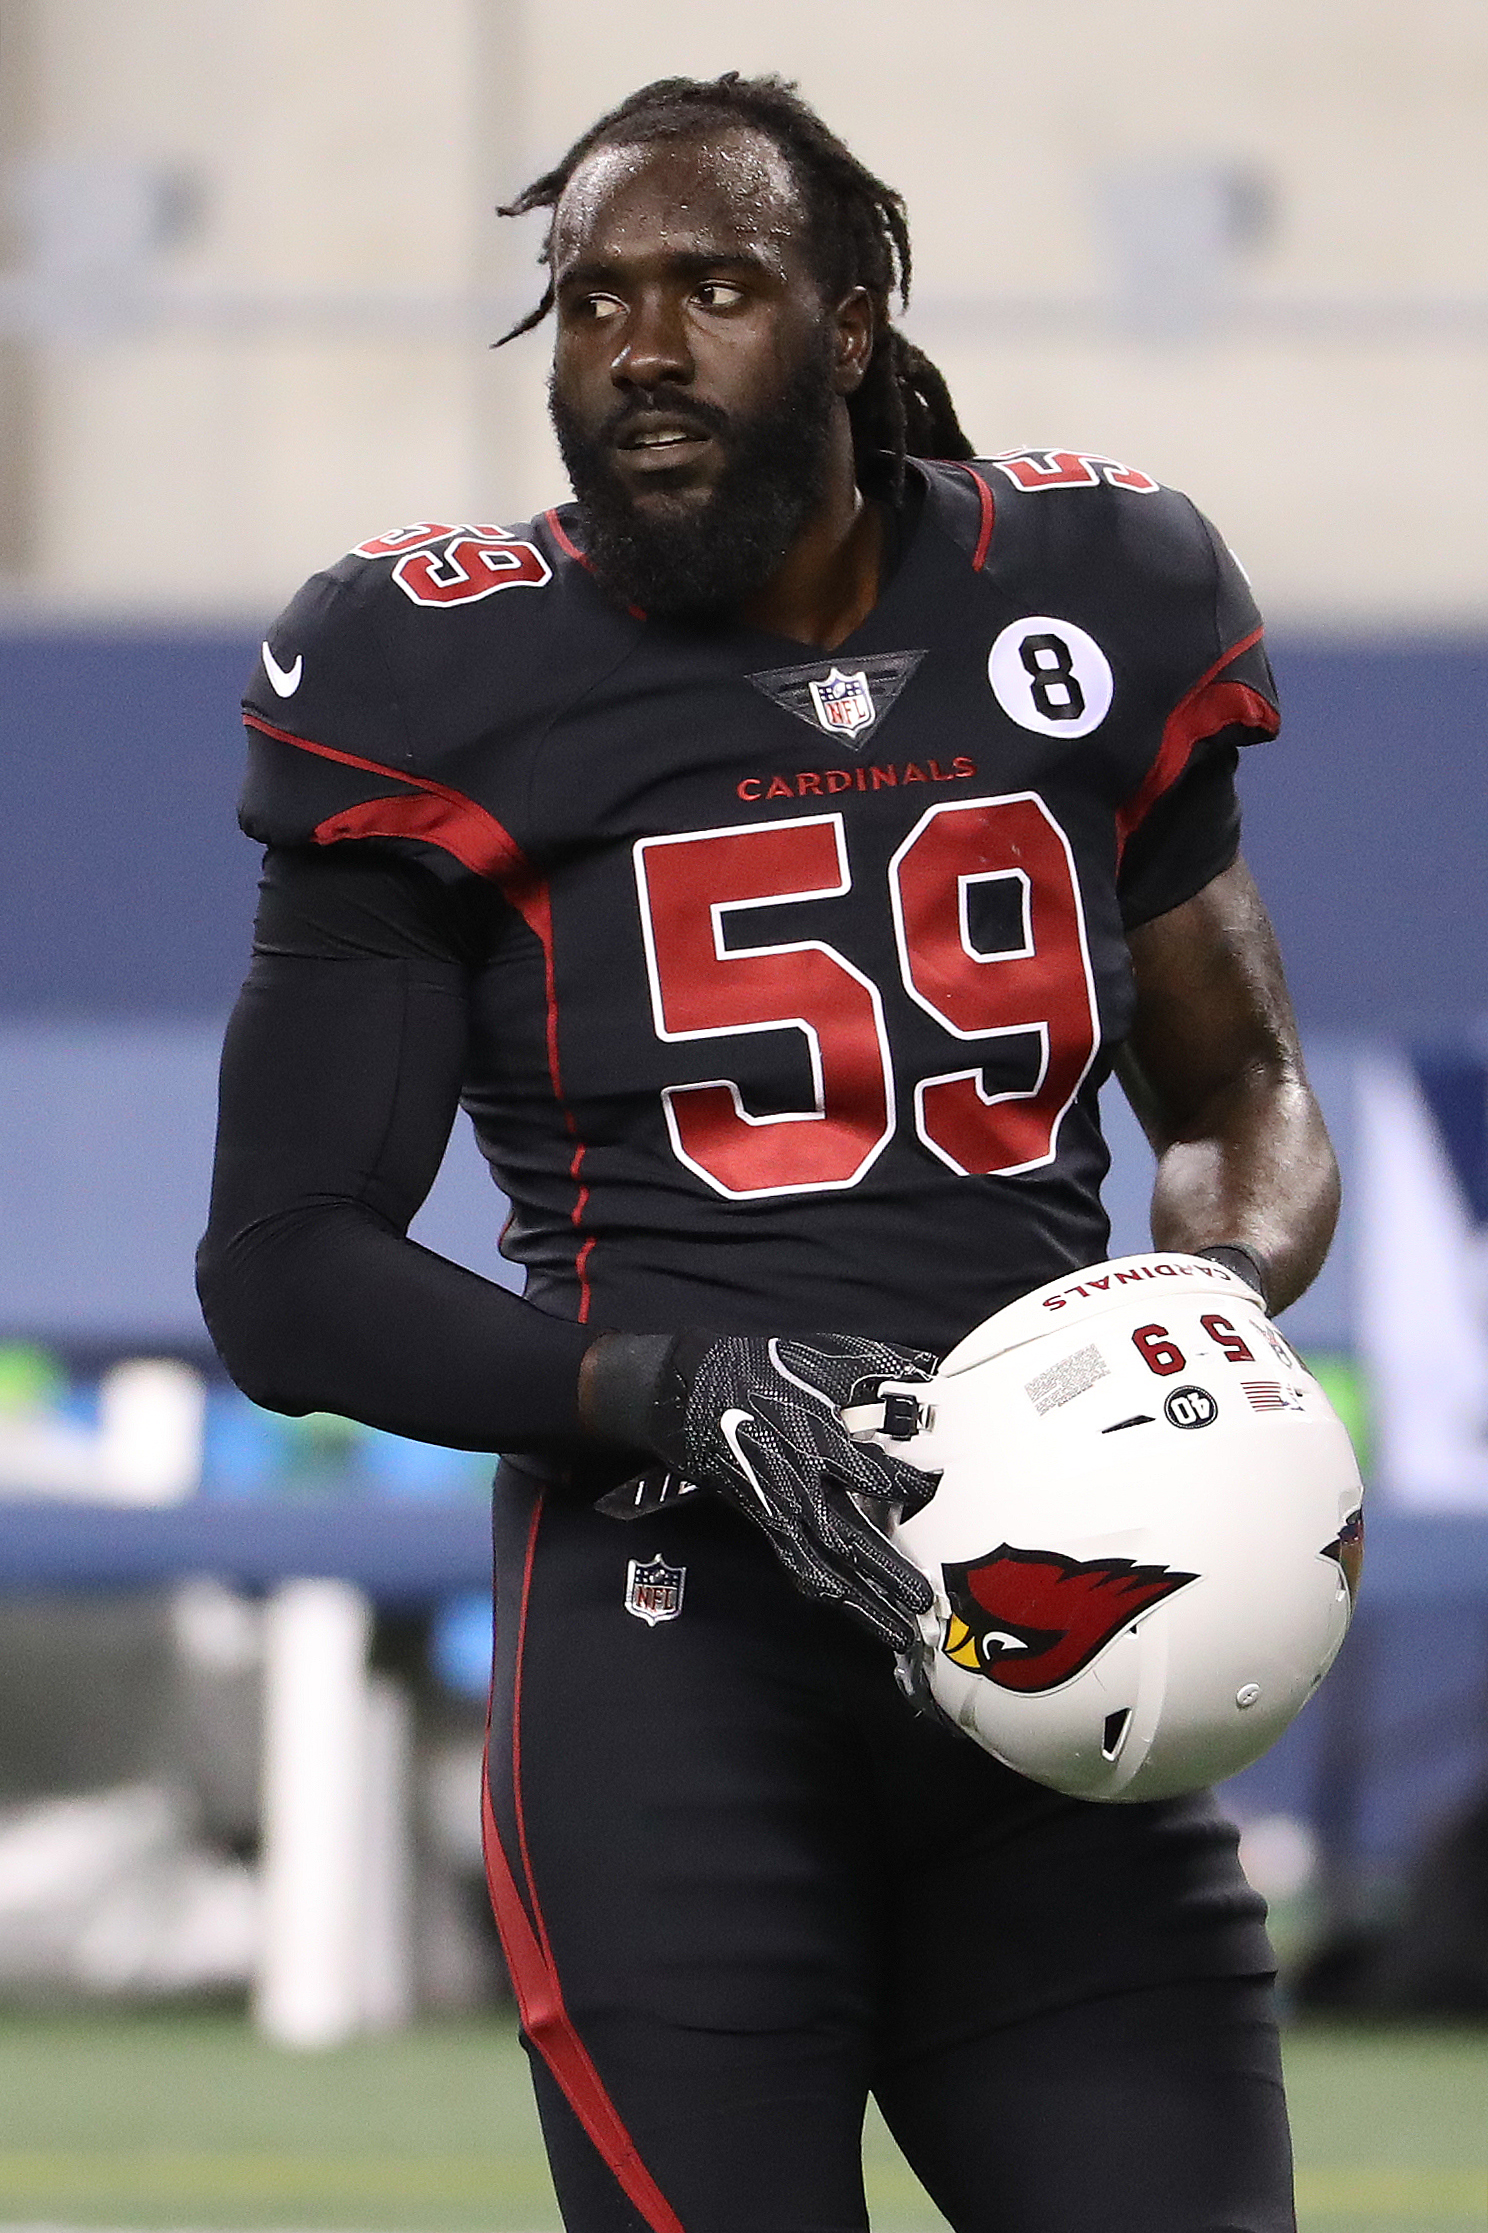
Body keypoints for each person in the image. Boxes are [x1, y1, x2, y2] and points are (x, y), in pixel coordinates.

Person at [199, 71, 1339, 2233]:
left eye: (713, 286)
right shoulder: (427, 670)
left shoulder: (1101, 587)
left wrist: (1202, 1319)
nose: (641, 347)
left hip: (1060, 1635)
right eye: (592, 296)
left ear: (845, 318)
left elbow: (1242, 1097)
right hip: (670, 1651)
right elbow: (282, 1267)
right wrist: (694, 1393)